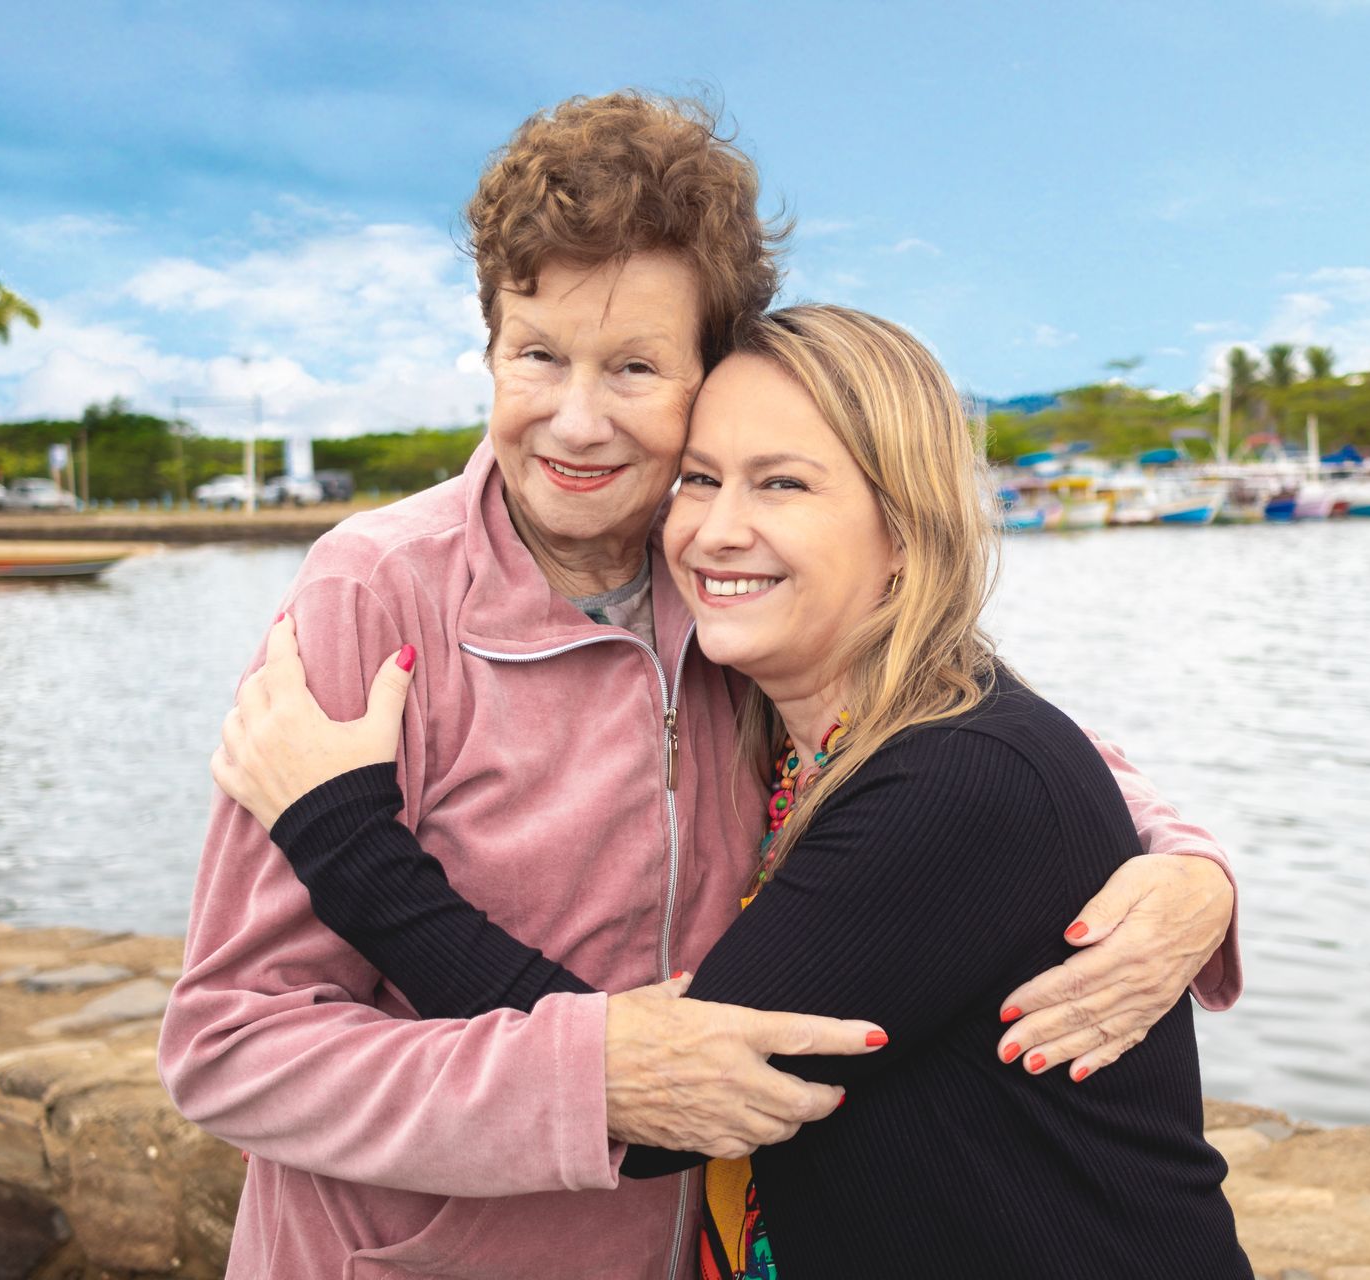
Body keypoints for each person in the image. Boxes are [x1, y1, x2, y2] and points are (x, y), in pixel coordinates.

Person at [161, 92, 1240, 1279]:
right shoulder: (376, 595)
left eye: (632, 365)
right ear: (488, 350)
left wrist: (1192, 866)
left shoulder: (727, 587)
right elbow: (228, 1041)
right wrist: (591, 1075)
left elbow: (972, 733)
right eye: (537, 354)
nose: (576, 419)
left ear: (707, 371)